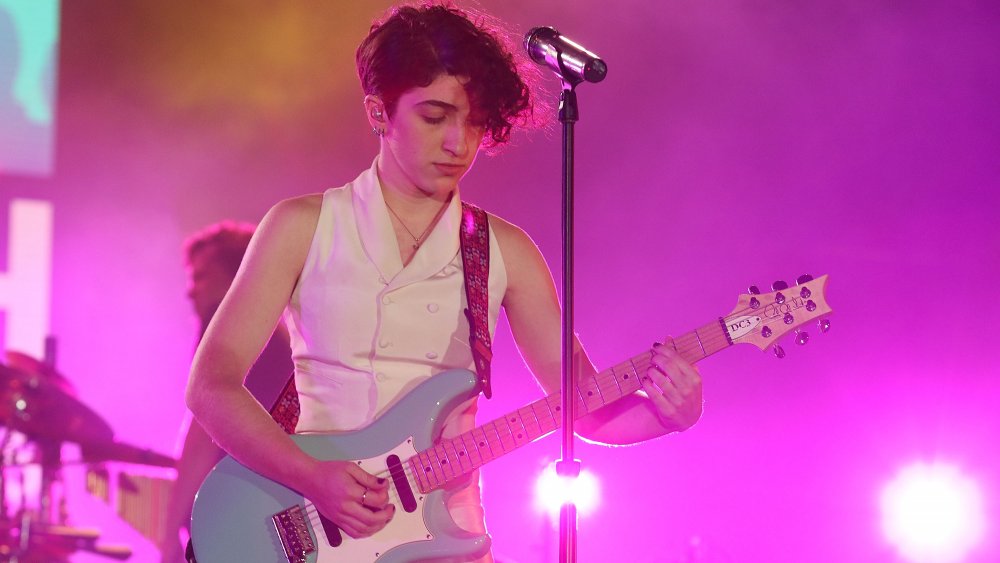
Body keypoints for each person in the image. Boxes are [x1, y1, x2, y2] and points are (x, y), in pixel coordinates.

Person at [185, 3, 703, 562]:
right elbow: (211, 387)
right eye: (435, 117)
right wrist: (312, 477)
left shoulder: (505, 251)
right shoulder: (301, 226)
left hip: (444, 541)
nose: (459, 143)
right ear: (379, 111)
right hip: (314, 525)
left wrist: (671, 416)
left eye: (475, 121)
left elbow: (583, 408)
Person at [159, 221, 293, 563]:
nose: (191, 291)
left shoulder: (221, 320)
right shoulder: (272, 338)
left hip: (239, 515)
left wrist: (169, 531)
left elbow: (203, 434)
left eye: (201, 277)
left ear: (236, 277)